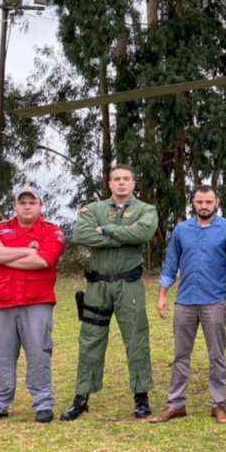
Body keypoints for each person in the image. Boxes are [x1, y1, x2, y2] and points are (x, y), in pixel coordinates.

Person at [61, 164, 159, 421]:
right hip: (97, 286)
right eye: (117, 179)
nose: (122, 183)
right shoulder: (93, 209)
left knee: (136, 340)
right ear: (109, 183)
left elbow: (143, 232)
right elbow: (81, 235)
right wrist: (124, 237)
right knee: (90, 339)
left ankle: (141, 397)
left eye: (126, 178)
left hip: (129, 285)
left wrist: (105, 230)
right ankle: (81, 398)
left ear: (134, 183)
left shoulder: (146, 210)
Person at [150, 185, 226, 425]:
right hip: (184, 301)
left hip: (214, 301)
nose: (204, 206)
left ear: (217, 202)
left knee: (217, 355)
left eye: (208, 202)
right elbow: (170, 264)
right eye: (199, 202)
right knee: (181, 354)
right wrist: (163, 295)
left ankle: (218, 404)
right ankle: (176, 404)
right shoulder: (182, 230)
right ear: (192, 203)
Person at [0, 186, 66, 424]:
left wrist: (4, 254)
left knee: (39, 353)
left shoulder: (52, 231)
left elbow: (42, 261)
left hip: (37, 302)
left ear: (41, 205)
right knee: (1, 355)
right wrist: (25, 250)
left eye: (32, 202)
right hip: (3, 303)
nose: (27, 206)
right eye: (22, 202)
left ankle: (43, 404)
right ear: (14, 205)